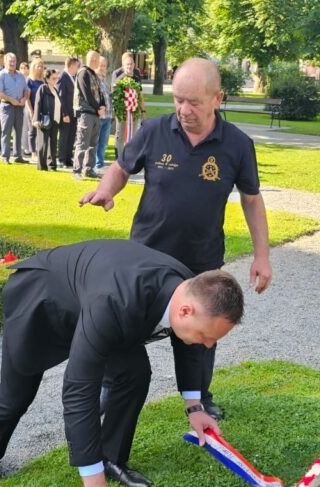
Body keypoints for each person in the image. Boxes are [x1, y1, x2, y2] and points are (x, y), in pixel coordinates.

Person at [0, 239, 243, 487]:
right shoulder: (115, 302)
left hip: (100, 305)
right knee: (15, 394)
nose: (208, 345)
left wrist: (195, 407)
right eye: (206, 336)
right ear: (185, 310)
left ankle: (111, 458)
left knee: (134, 374)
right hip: (42, 303)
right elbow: (78, 389)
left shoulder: (187, 289)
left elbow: (189, 344)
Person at [79, 58, 273, 421]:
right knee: (126, 325)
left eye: (194, 102)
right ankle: (110, 387)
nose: (183, 110)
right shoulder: (154, 130)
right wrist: (106, 190)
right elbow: (121, 167)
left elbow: (251, 199)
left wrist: (261, 255)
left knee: (201, 332)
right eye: (178, 100)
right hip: (146, 257)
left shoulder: (237, 144)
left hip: (200, 261)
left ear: (217, 98)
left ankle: (199, 396)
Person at [72, 51, 106, 180]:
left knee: (93, 144)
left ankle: (89, 169)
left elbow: (100, 93)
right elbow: (87, 94)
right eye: (93, 59)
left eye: (97, 59)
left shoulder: (94, 75)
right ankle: (76, 170)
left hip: (95, 114)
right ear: (89, 59)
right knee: (82, 142)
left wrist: (102, 106)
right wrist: (98, 108)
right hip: (86, 113)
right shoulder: (83, 73)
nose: (95, 61)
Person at [0, 52, 30, 165]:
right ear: (5, 62)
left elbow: (27, 90)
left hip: (19, 107)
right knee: (6, 132)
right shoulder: (1, 75)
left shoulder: (20, 75)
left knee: (18, 132)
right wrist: (11, 99)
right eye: (10, 61)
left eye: (14, 61)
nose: (12, 63)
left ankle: (18, 155)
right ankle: (5, 156)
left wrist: (24, 98)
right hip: (7, 107)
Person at [111, 52, 146, 157]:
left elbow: (140, 93)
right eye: (127, 64)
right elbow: (113, 92)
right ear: (123, 64)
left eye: (131, 64)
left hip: (134, 111)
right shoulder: (117, 74)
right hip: (122, 111)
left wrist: (143, 110)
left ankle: (130, 157)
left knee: (133, 134)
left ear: (134, 64)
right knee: (120, 135)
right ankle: (119, 157)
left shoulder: (136, 75)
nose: (129, 66)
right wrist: (124, 75)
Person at [32, 68, 62, 171]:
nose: (55, 80)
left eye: (56, 78)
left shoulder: (55, 90)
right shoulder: (43, 88)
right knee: (43, 143)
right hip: (45, 119)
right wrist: (36, 119)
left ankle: (52, 165)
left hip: (55, 120)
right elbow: (38, 104)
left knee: (53, 143)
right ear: (47, 79)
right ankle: (42, 166)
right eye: (53, 78)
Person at [57, 57, 80, 169]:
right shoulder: (63, 76)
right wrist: (64, 114)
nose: (78, 68)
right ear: (71, 66)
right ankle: (62, 158)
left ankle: (68, 157)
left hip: (73, 112)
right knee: (64, 136)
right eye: (77, 66)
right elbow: (61, 96)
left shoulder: (73, 77)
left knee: (71, 136)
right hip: (66, 113)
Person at [24, 58, 45, 159]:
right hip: (31, 108)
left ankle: (40, 150)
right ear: (33, 67)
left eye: (41, 66)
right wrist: (31, 111)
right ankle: (33, 152)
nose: (40, 68)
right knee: (32, 131)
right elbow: (27, 98)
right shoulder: (29, 80)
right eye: (38, 66)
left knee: (41, 131)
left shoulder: (43, 81)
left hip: (41, 109)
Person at [94, 56, 113, 170]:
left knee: (103, 142)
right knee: (95, 141)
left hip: (108, 116)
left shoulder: (105, 79)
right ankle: (94, 164)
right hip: (99, 116)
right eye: (101, 65)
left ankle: (100, 163)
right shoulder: (94, 79)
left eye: (104, 66)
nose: (102, 67)